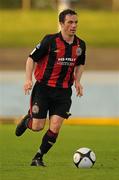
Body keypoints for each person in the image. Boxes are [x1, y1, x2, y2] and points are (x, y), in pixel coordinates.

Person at [15, 9, 86, 167]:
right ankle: (28, 121)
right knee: (38, 126)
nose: (74, 26)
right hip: (43, 90)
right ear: (61, 24)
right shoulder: (49, 40)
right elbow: (31, 58)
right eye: (70, 22)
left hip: (63, 92)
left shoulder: (81, 44)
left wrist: (78, 81)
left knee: (55, 126)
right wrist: (28, 79)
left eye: (76, 22)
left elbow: (80, 63)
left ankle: (38, 157)